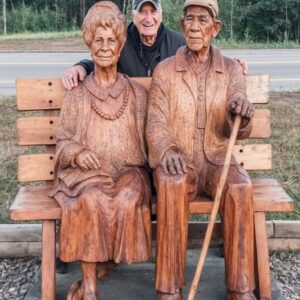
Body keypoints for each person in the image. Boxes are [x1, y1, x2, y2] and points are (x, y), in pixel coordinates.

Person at [146, 0, 256, 299]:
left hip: (217, 157)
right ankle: (169, 289)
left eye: (203, 20)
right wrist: (167, 150)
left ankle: (240, 288)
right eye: (189, 19)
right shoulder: (166, 70)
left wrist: (241, 114)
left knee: (240, 187)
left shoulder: (231, 69)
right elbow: (155, 121)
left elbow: (240, 127)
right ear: (181, 26)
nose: (195, 26)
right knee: (170, 185)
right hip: (180, 159)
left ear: (215, 28)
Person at [49, 2, 152, 299]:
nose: (105, 48)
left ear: (120, 47)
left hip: (129, 172)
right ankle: (91, 287)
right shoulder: (77, 95)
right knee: (91, 200)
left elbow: (151, 138)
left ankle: (106, 265)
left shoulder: (135, 93)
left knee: (130, 196)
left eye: (111, 41)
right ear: (90, 46)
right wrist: (78, 153)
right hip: (88, 176)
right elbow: (64, 141)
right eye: (98, 41)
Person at [62, 0, 185, 90]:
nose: (148, 19)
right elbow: (102, 62)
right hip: (131, 112)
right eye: (142, 12)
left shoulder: (179, 44)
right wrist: (81, 67)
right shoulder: (120, 41)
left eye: (153, 12)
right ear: (133, 16)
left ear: (161, 15)